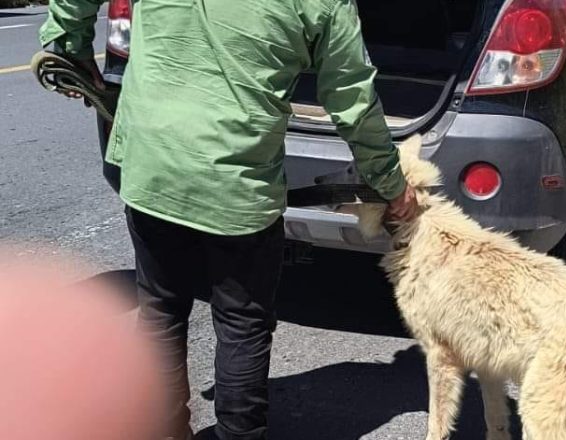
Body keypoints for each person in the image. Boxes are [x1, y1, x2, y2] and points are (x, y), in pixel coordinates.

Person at [40, 0, 419, 439]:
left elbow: (73, 8)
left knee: (160, 309)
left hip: (152, 165)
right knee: (242, 321)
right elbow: (352, 98)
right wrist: (389, 182)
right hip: (238, 187)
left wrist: (69, 43)